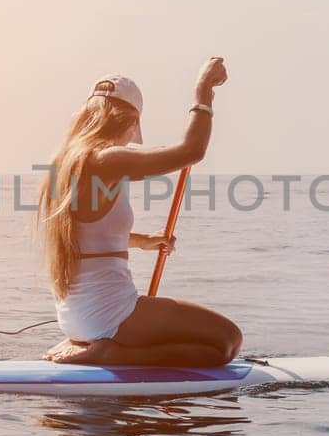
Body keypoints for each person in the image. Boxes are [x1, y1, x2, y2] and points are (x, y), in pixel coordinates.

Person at [36, 58, 243, 367]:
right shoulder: (105, 159)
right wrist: (203, 92)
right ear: (127, 123)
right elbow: (191, 151)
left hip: (75, 317)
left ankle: (99, 345)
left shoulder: (64, 162)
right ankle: (112, 352)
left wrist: (144, 240)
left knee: (206, 344)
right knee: (227, 341)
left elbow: (88, 234)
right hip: (110, 312)